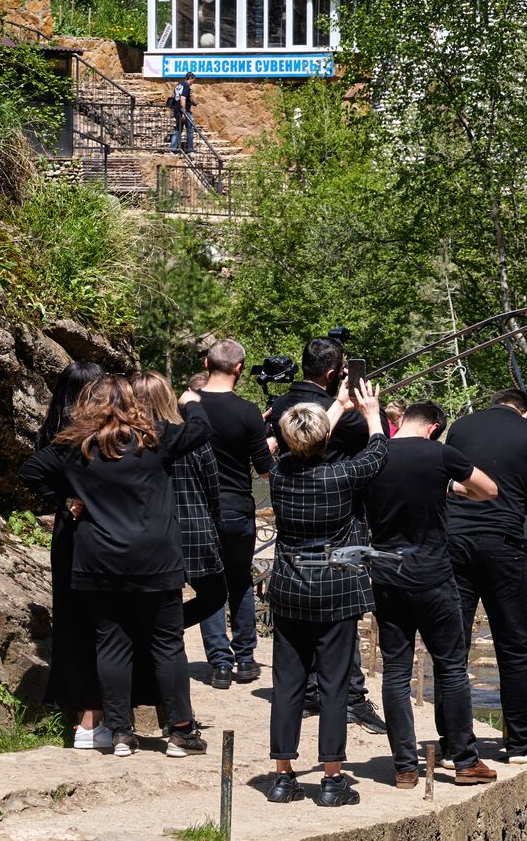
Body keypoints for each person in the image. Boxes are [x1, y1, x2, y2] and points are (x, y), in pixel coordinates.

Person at [19, 376, 211, 759]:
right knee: (168, 645)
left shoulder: (74, 446)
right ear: (130, 402)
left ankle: (121, 733)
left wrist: (64, 500)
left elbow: (30, 471)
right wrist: (192, 401)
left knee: (111, 644)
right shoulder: (154, 438)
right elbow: (201, 431)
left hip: (98, 560)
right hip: (156, 558)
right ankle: (180, 731)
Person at [364, 401, 500, 789]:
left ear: (405, 421)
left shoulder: (375, 455)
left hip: (388, 575)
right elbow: (489, 489)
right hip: (434, 576)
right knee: (451, 667)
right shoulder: (442, 454)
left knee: (395, 671)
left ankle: (405, 767)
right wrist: (454, 488)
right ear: (434, 427)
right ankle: (465, 761)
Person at [265, 386, 388, 806]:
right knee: (335, 685)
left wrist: (337, 405)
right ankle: (332, 781)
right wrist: (370, 413)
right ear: (324, 440)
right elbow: (377, 453)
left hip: (289, 587)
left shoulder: (279, 472)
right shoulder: (341, 475)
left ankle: (283, 778)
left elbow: (305, 441)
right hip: (334, 587)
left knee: (287, 684)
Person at [442, 388, 527, 766]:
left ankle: (453, 747)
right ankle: (521, 746)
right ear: (526, 413)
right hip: (504, 546)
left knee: (454, 649)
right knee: (513, 648)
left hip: (455, 543)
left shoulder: (460, 428)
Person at [36, 361, 108, 750]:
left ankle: (76, 712)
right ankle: (91, 719)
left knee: (69, 623)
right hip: (93, 533)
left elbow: (35, 474)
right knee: (99, 624)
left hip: (66, 534)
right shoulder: (88, 437)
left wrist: (60, 502)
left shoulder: (51, 431)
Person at [197, 339, 275, 689]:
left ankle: (219, 664)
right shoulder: (247, 412)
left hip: (199, 509)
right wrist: (266, 443)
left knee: (210, 585)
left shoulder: (188, 408)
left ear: (206, 363)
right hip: (237, 508)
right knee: (240, 581)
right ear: (239, 368)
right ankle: (245, 659)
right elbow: (264, 471)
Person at [130, 372, 227, 630]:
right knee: (215, 595)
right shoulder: (192, 438)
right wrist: (215, 527)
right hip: (195, 529)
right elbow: (212, 488)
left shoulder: (131, 444)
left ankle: (154, 632)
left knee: (154, 601)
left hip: (148, 533)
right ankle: (168, 629)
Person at [168, 71, 196, 153]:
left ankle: (173, 149)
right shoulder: (186, 86)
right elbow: (183, 98)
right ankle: (190, 149)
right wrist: (184, 112)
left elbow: (174, 96)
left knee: (178, 130)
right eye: (193, 80)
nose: (193, 82)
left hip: (176, 110)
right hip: (184, 111)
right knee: (190, 130)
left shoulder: (178, 85)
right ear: (190, 78)